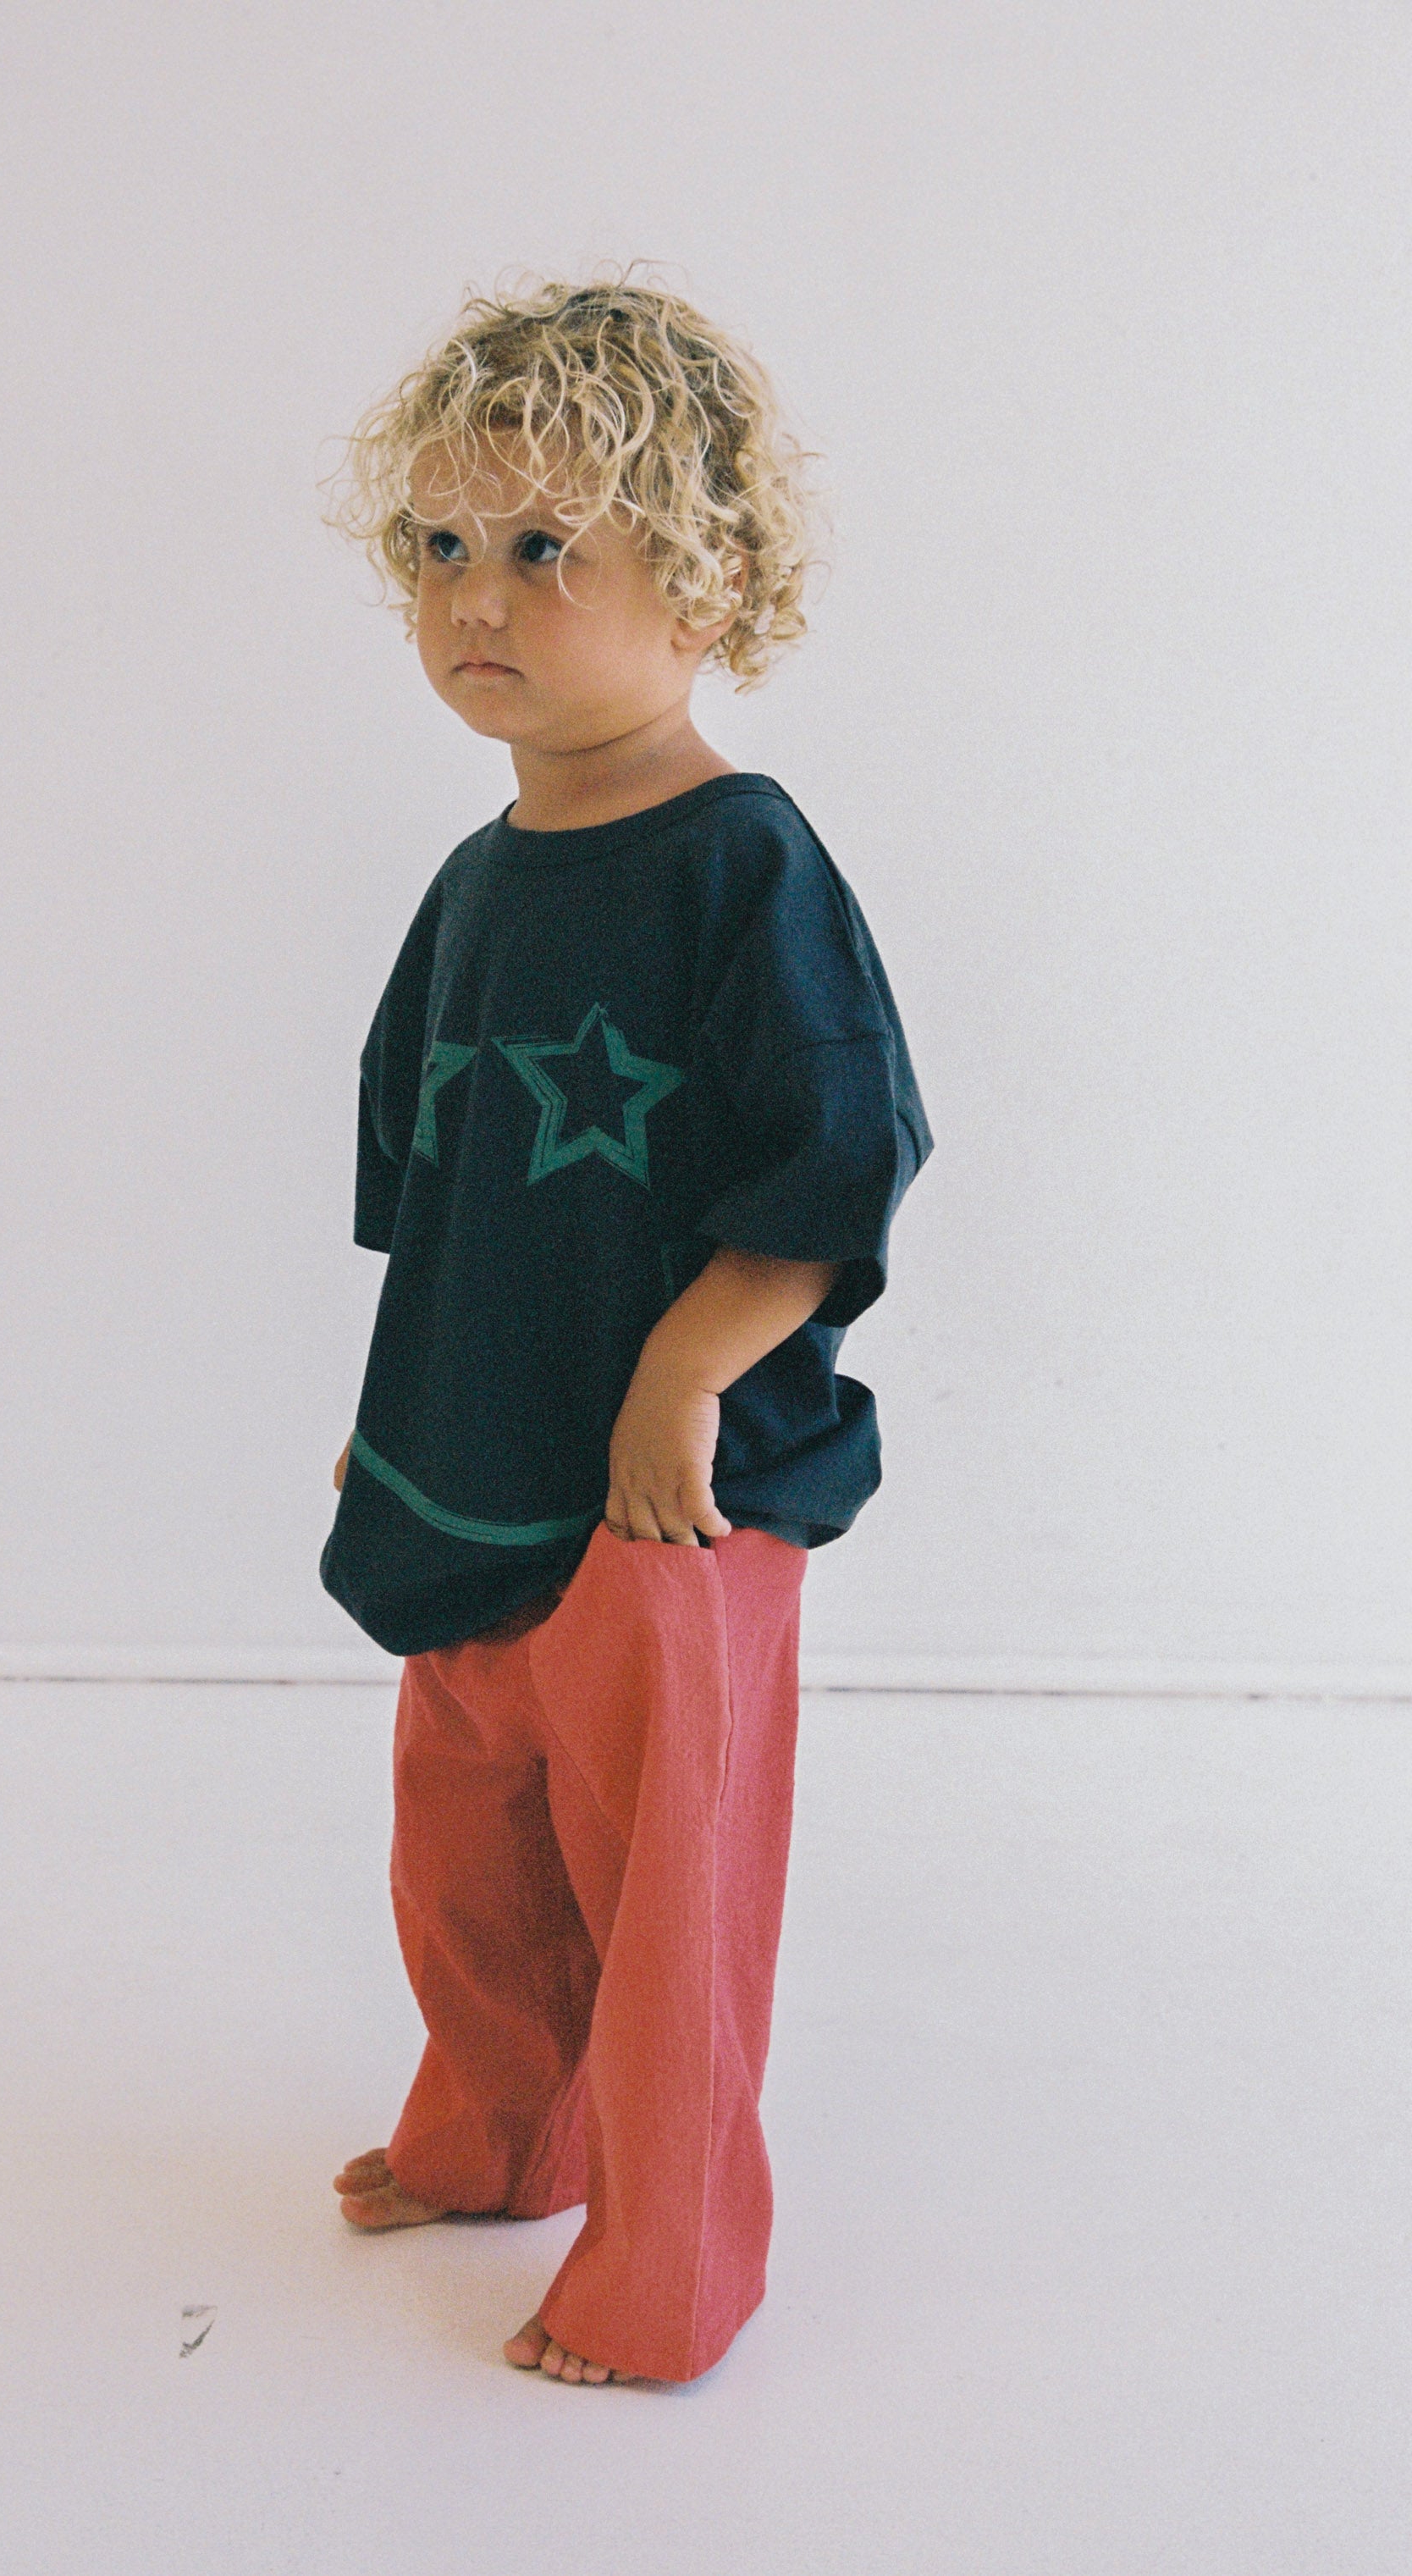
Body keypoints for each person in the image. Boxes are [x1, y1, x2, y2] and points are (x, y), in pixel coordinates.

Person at [316, 270, 931, 2385]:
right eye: (442, 546)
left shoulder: (742, 868)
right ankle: (501, 2133)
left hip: (668, 1513)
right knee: (466, 1849)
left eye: (545, 545)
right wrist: (389, 1421)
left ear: (713, 577)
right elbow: (437, 1194)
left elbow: (836, 1166)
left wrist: (682, 1375)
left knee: (662, 1904)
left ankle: (674, 2266)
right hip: (474, 1477)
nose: (477, 593)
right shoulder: (483, 876)